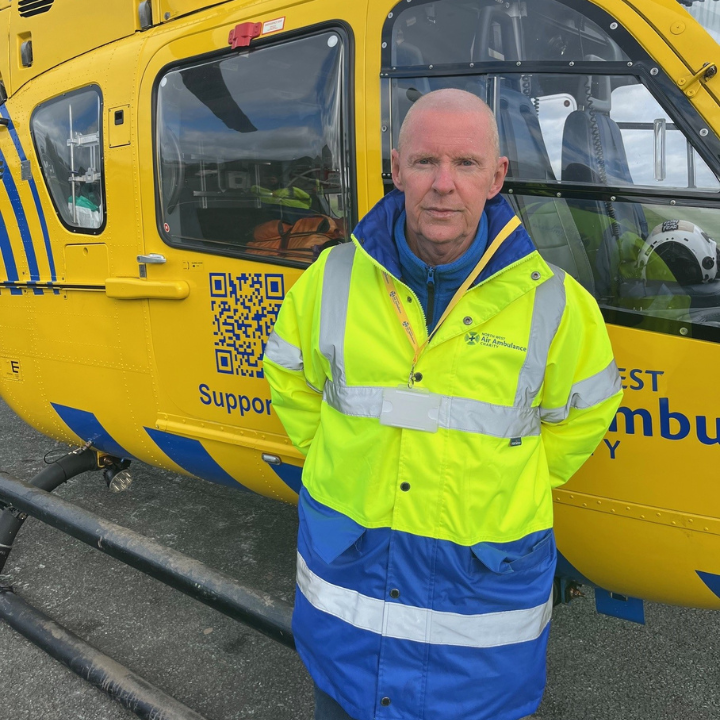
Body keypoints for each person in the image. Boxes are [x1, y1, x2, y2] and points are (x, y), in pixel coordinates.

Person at [263, 89, 622, 720]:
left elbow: (586, 412)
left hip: (479, 645)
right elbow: (290, 377)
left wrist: (517, 477)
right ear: (396, 169)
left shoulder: (555, 303)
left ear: (497, 176)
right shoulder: (331, 278)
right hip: (348, 616)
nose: (444, 185)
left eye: (466, 164)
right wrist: (335, 457)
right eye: (426, 162)